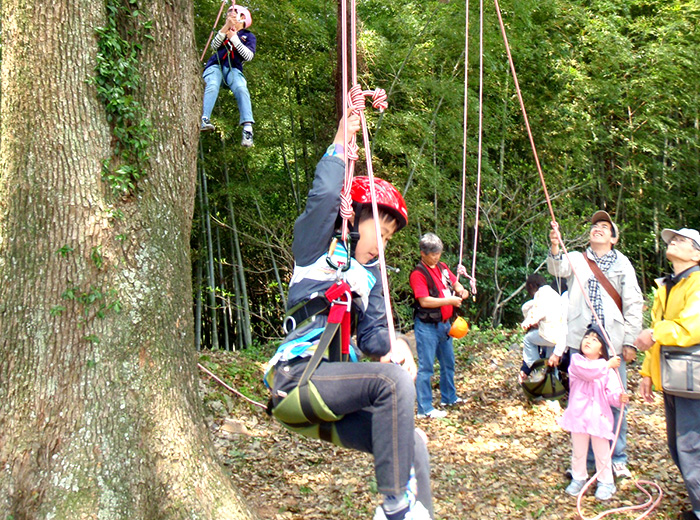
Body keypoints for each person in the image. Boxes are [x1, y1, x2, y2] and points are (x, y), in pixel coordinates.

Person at [265, 114, 433, 520]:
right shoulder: (314, 253)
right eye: (384, 232)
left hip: (330, 394)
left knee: (414, 442)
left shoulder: (369, 279)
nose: (384, 244)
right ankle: (395, 506)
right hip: (296, 379)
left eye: (391, 239)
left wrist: (399, 345)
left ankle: (417, 512)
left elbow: (376, 336)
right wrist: (344, 133)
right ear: (355, 219)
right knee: (390, 383)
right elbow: (324, 193)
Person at [547, 210, 643, 479]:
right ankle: (586, 461)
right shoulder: (577, 258)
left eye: (605, 226)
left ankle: (616, 457)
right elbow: (557, 268)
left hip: (612, 344)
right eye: (595, 226)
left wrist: (630, 341)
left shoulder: (623, 264)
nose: (598, 229)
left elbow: (634, 304)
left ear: (613, 238)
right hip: (582, 342)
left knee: (614, 401)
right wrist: (556, 245)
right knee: (582, 400)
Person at [635, 227, 700, 520]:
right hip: (676, 378)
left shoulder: (697, 283)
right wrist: (648, 373)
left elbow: (690, 327)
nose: (673, 242)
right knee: (679, 445)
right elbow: (660, 336)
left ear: (697, 254)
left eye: (682, 240)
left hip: (693, 379)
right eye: (672, 239)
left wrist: (652, 332)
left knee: (691, 447)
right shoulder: (668, 286)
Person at [560, 324, 629, 501]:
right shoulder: (577, 361)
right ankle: (578, 477)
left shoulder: (607, 369)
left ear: (601, 350)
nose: (588, 341)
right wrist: (608, 365)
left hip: (599, 417)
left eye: (595, 339)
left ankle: (606, 482)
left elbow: (611, 393)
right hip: (578, 417)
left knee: (602, 452)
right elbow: (588, 373)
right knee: (579, 451)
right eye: (587, 337)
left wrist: (619, 398)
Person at [409, 233, 469, 419]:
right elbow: (424, 301)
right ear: (423, 253)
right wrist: (447, 300)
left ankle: (449, 397)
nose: (436, 257)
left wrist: (461, 290)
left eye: (438, 253)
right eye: (433, 254)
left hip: (445, 325)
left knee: (448, 363)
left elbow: (455, 282)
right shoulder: (418, 274)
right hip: (427, 326)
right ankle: (425, 408)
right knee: (426, 367)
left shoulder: (442, 268)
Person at [200, 4, 256, 147]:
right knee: (211, 85)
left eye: (233, 13)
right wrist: (225, 29)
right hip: (216, 65)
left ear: (242, 18)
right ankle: (204, 118)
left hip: (234, 68)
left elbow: (248, 56)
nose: (229, 16)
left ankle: (248, 128)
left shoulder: (248, 36)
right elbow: (214, 46)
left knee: (241, 88)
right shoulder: (223, 31)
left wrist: (235, 39)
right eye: (228, 14)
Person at [518, 274, 565, 383]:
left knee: (528, 339)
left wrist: (530, 321)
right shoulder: (554, 294)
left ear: (531, 286)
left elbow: (539, 310)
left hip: (549, 333)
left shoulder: (541, 293)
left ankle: (536, 368)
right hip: (559, 336)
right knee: (551, 363)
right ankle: (553, 387)